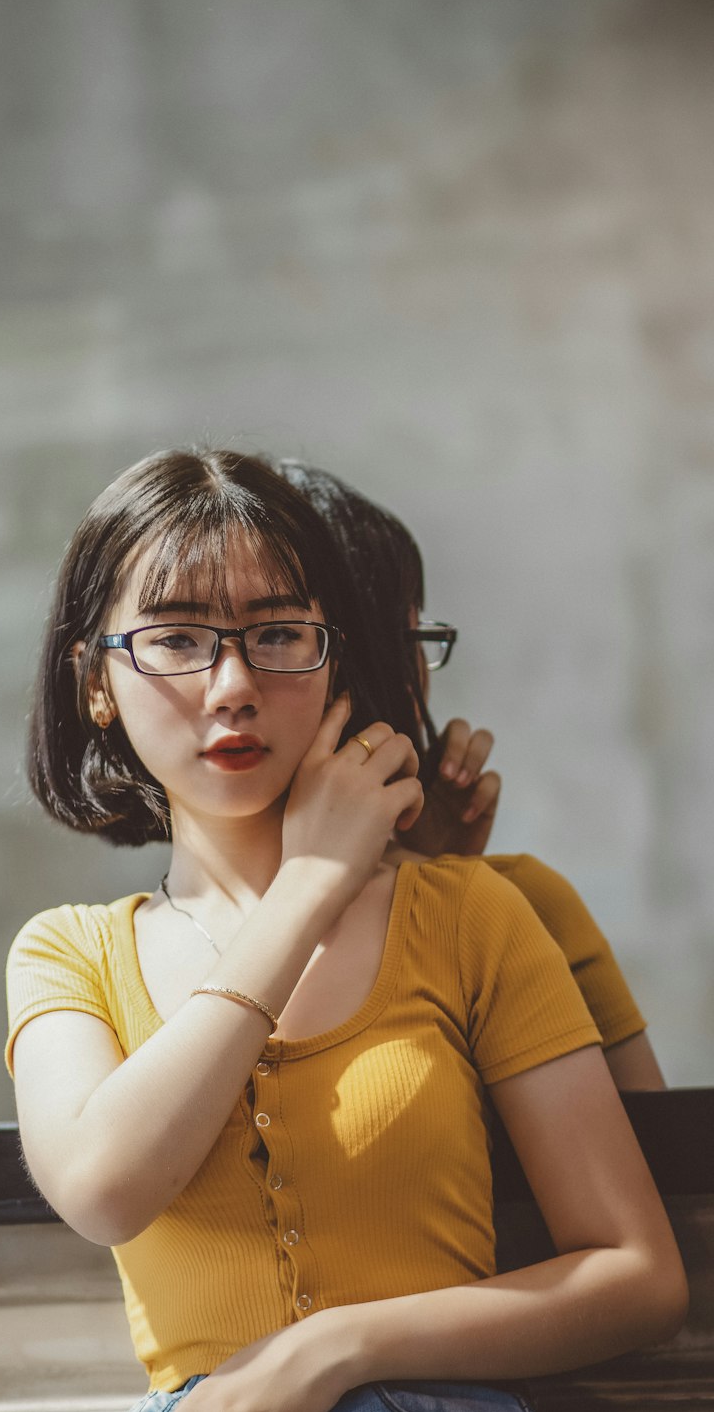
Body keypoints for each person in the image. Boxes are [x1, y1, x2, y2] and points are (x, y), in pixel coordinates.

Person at [6, 448, 686, 1412]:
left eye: (278, 633)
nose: (232, 684)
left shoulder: (470, 915)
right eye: (175, 639)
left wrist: (332, 1347)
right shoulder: (65, 951)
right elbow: (105, 1190)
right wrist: (308, 890)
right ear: (97, 684)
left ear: (336, 661)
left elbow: (638, 1276)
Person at [276, 459, 665, 1091]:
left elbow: (656, 1165)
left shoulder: (510, 902)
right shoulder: (100, 947)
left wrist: (434, 892)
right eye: (410, 637)